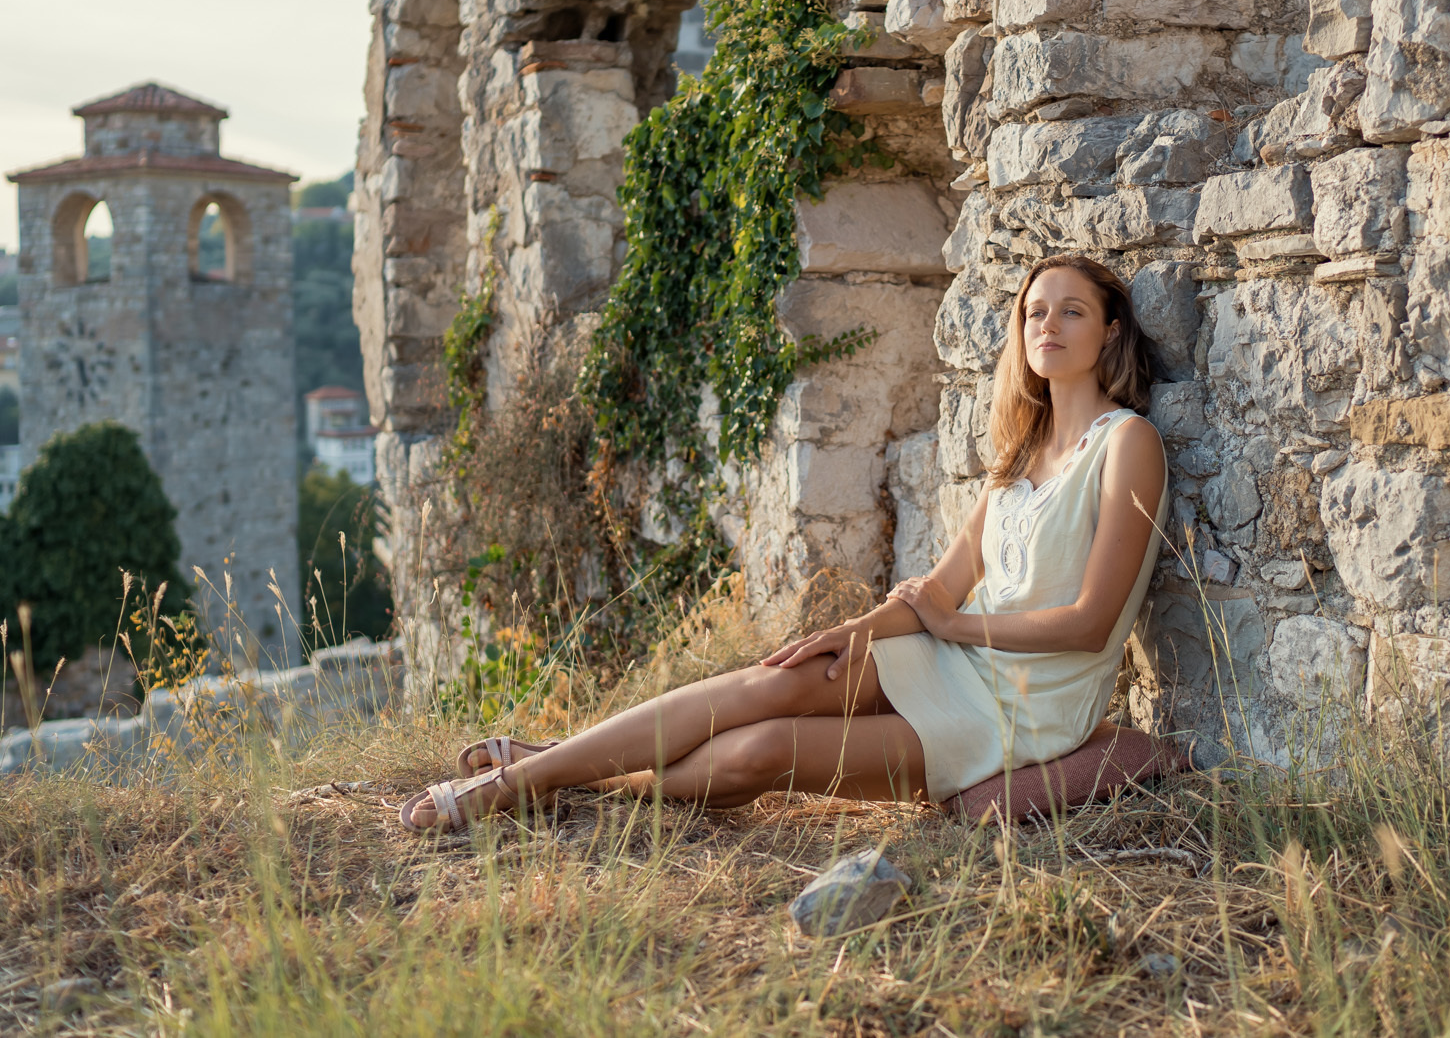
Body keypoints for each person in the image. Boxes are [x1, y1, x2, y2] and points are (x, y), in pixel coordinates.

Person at [401, 254, 1170, 832]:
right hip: (951, 654)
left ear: (1109, 331)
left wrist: (955, 627)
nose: (1047, 324)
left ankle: (557, 771)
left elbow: (1090, 622)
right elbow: (934, 591)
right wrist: (846, 634)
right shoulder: (1019, 454)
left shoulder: (1126, 442)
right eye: (1035, 311)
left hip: (1019, 706)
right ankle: (525, 777)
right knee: (775, 680)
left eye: (1072, 312)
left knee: (760, 751)